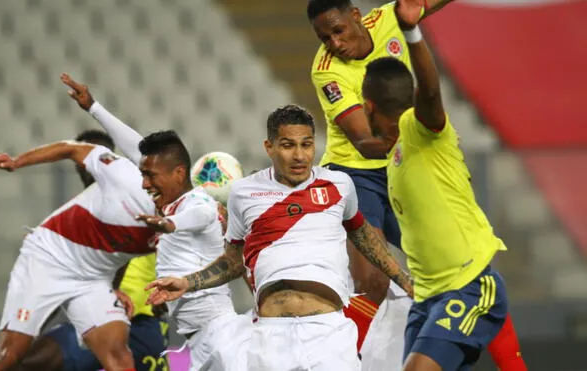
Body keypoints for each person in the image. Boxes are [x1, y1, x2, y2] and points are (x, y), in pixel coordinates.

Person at [308, 1, 526, 369]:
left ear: (357, 17)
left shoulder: (391, 19)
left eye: (338, 31)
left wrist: (425, 145)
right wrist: (425, 142)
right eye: (324, 37)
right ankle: (344, 361)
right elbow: (363, 141)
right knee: (372, 279)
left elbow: (423, 21)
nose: (334, 43)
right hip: (358, 171)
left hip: (402, 157)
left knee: (464, 267)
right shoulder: (326, 72)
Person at [146, 104, 414, 371]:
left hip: (328, 332)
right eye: (288, 145)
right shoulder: (244, 192)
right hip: (271, 336)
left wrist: (405, 281)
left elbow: (365, 238)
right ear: (269, 147)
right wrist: (188, 282)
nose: (299, 155)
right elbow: (233, 261)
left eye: (306, 144)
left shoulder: (339, 184)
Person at [61, 73, 252, 371]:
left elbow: (196, 216)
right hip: (196, 336)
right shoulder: (171, 197)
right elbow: (140, 150)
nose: (144, 182)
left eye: (150, 176)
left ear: (178, 174)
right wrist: (93, 107)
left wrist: (169, 225)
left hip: (219, 332)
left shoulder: (197, 205)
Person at [0, 131, 159, 371]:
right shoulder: (122, 176)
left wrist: (114, 288)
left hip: (94, 282)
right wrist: (17, 161)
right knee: (11, 353)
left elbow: (123, 250)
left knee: (119, 358)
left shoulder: (176, 222)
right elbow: (71, 148)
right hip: (48, 260)